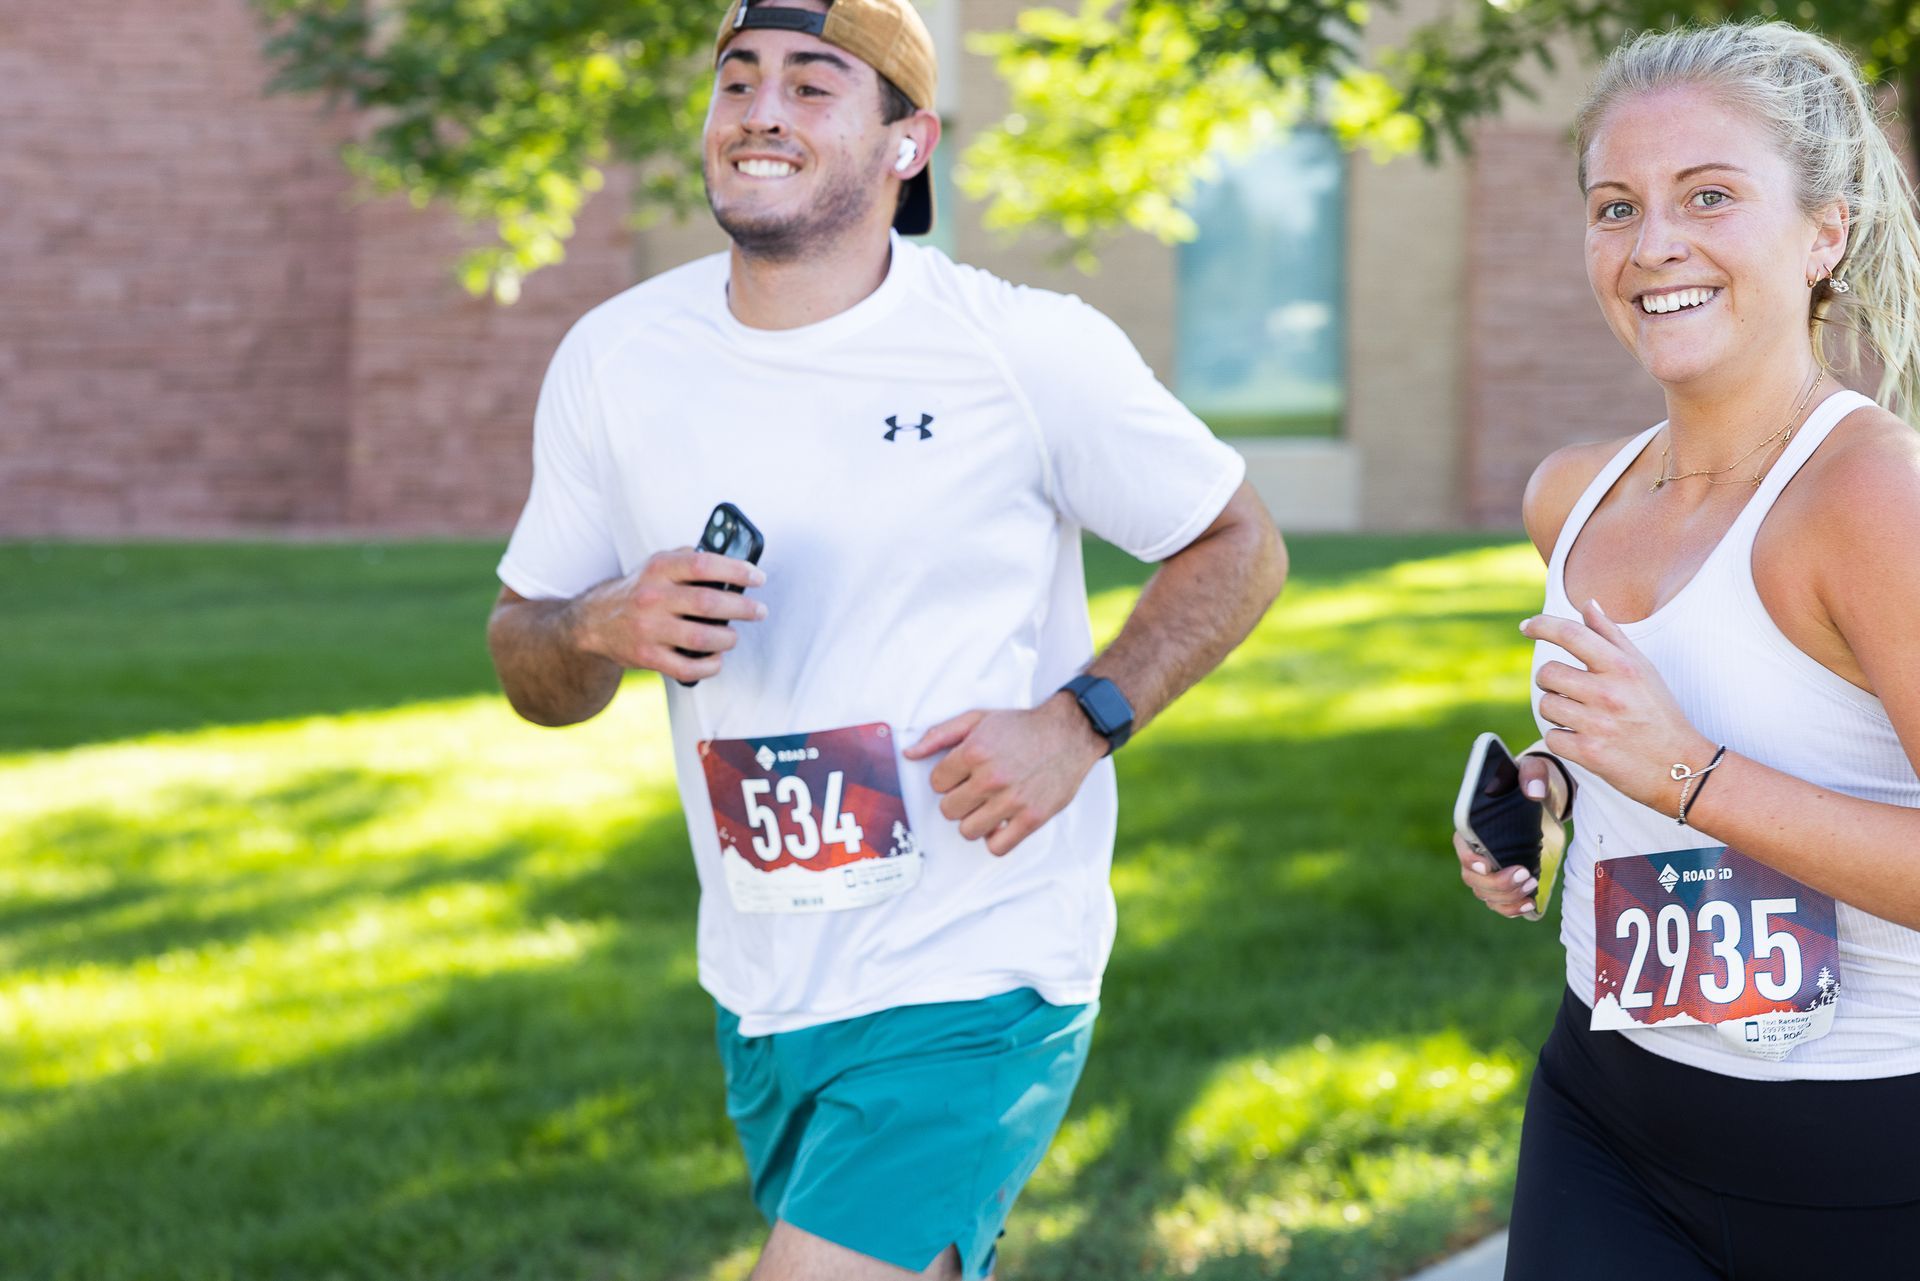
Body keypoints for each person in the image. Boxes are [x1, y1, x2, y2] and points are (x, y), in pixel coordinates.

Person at [485, 0, 1286, 1276]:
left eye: (813, 85)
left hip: (979, 969)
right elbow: (528, 659)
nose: (759, 110)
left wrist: (1083, 724)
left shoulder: (1020, 348)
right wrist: (601, 623)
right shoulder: (618, 358)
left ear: (907, 144)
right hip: (765, 977)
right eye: (738, 78)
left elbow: (1239, 542)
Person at [1453, 21, 1920, 1279]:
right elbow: (1634, 754)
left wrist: (1684, 773)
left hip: (1868, 1159)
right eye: (1617, 206)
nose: (1654, 244)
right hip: (1607, 1117)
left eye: (1708, 195)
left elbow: (1686, 759)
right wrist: (1548, 798)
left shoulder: (1873, 501)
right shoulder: (1573, 497)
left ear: (1824, 232)